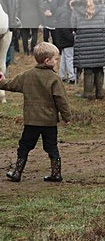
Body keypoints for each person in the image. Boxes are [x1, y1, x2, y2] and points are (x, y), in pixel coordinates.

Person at [0, 42, 71, 183]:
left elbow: (10, 85)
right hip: (49, 122)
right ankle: (56, 173)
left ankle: (17, 173)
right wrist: (66, 116)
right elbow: (61, 99)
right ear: (47, 61)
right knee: (51, 147)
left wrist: (1, 81)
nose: (57, 61)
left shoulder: (28, 75)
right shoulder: (54, 78)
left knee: (24, 146)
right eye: (56, 59)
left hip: (31, 122)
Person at [71, 0, 105, 100]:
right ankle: (100, 92)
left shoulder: (76, 6)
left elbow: (73, 24)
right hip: (100, 39)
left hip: (84, 40)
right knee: (99, 67)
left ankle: (88, 93)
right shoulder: (102, 4)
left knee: (88, 67)